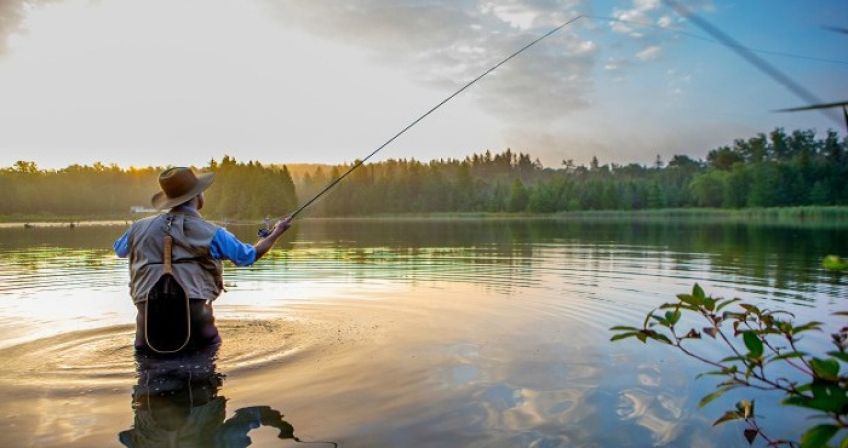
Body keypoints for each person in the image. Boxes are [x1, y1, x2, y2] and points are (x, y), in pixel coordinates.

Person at [113, 167, 291, 352]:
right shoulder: (213, 233)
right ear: (198, 195)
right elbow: (247, 256)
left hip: (146, 332)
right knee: (205, 374)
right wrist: (277, 232)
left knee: (147, 372)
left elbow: (120, 250)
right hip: (199, 330)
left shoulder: (137, 229)